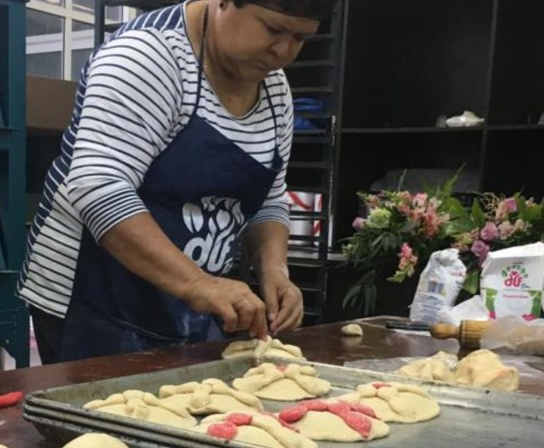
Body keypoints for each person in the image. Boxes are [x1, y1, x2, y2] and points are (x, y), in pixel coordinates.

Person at [18, 0, 336, 364]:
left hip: (187, 302)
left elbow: (269, 197)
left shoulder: (274, 89)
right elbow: (99, 188)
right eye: (273, 29)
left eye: (300, 38)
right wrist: (198, 283)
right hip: (96, 301)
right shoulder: (146, 58)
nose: (283, 52)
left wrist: (275, 271)